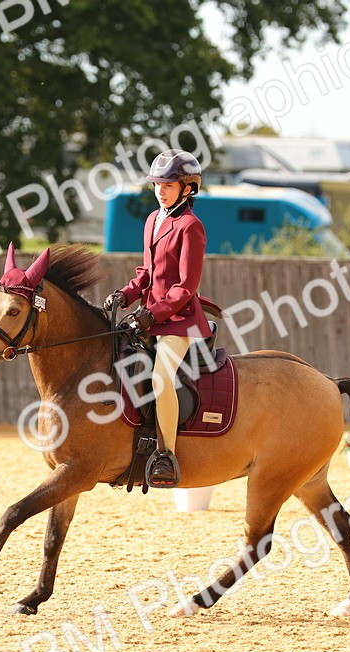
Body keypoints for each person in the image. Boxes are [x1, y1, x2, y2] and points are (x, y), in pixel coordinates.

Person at [103, 149, 209, 489]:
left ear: (187, 188)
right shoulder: (153, 219)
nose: (161, 190)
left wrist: (153, 314)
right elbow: (148, 272)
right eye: (157, 184)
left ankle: (166, 455)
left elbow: (185, 288)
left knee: (161, 378)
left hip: (178, 322)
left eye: (168, 184)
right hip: (148, 316)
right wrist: (127, 293)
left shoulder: (191, 226)